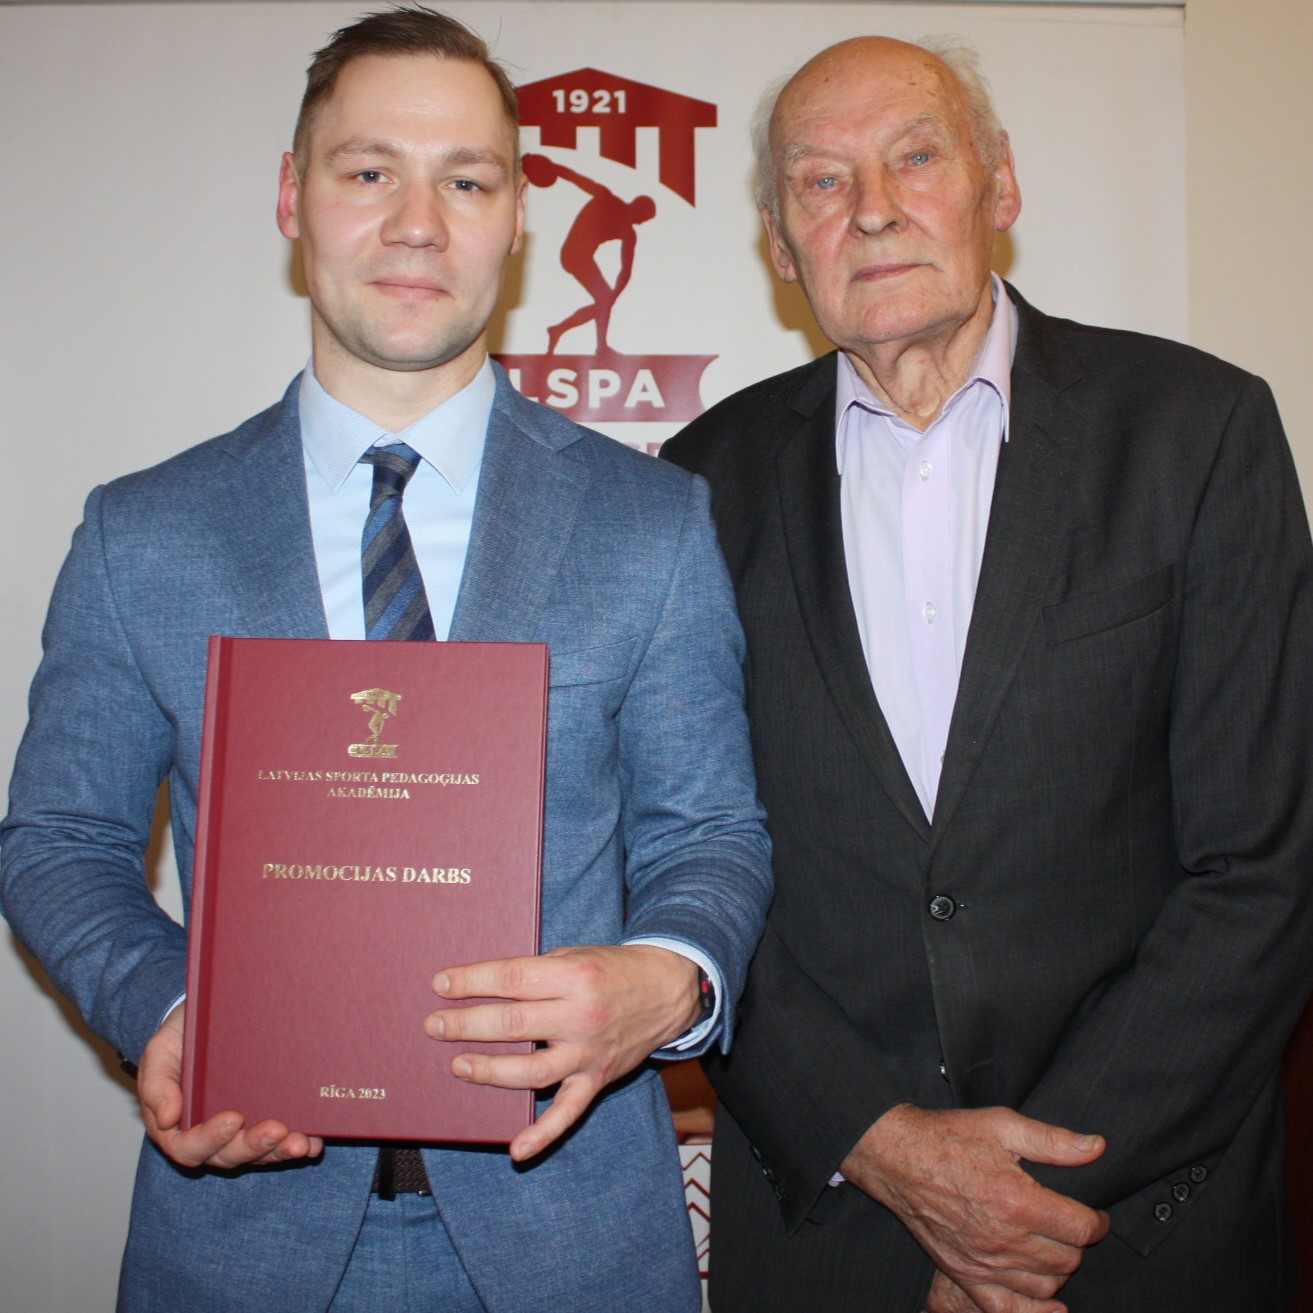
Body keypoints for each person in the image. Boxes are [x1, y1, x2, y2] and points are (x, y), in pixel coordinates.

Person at [0, 8, 771, 1312]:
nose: (418, 223)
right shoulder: (144, 535)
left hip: (575, 1239)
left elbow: (712, 833)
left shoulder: (651, 524)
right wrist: (171, 1011)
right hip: (239, 1237)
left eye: (465, 181)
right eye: (369, 171)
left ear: (515, 220)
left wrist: (663, 977)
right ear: (292, 197)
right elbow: (59, 840)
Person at [663, 34, 1313, 1313]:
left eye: (914, 157)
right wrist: (889, 1148)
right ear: (780, 242)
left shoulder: (1197, 432)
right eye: (820, 180)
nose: (871, 208)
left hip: (1137, 1228)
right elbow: (685, 865)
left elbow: (1261, 864)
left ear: (997, 183)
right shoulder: (692, 489)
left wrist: (1021, 1204)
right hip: (830, 1229)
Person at [520, 152, 657, 355]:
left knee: (603, 302)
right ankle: (595, 344)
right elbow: (576, 178)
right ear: (638, 209)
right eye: (644, 218)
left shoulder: (628, 233)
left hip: (582, 257)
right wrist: (550, 167)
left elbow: (626, 269)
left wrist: (615, 295)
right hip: (573, 254)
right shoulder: (606, 198)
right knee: (604, 300)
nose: (642, 223)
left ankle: (561, 331)